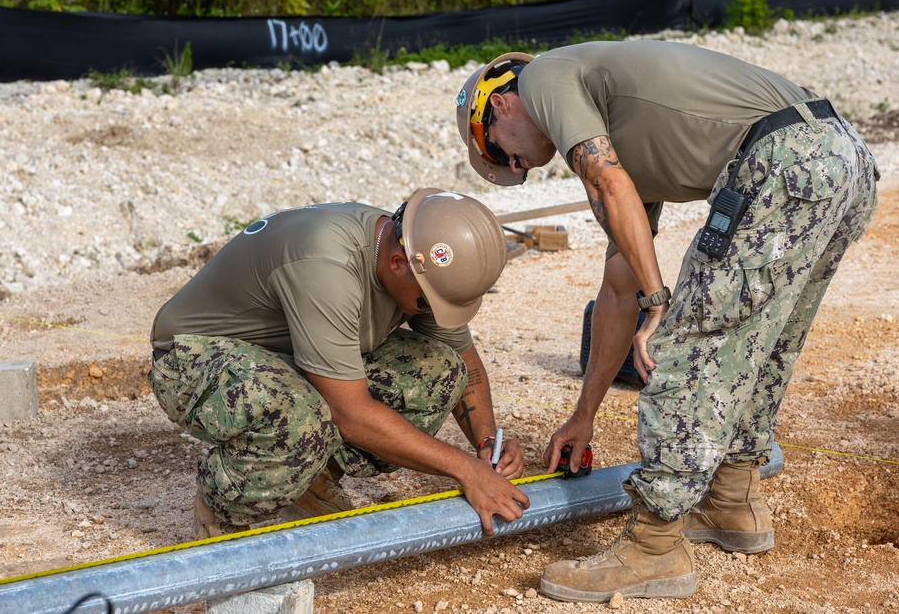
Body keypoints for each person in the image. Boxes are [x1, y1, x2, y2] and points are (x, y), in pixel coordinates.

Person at [456, 43, 879, 601]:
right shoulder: (612, 134)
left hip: (784, 160)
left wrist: (660, 303)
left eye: (500, 153)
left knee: (684, 342)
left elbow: (614, 200)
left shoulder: (543, 79)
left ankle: (654, 546)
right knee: (760, 341)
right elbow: (617, 288)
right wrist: (584, 415)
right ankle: (732, 500)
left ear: (500, 102)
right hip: (838, 157)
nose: (519, 167)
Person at [148, 188, 530, 540]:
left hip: (283, 359)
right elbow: (349, 413)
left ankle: (309, 478)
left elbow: (463, 360)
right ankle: (224, 504)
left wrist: (486, 444)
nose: (430, 313)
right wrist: (466, 471)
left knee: (438, 371)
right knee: (300, 415)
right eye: (429, 303)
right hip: (193, 358)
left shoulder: (416, 261)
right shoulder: (327, 263)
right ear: (399, 262)